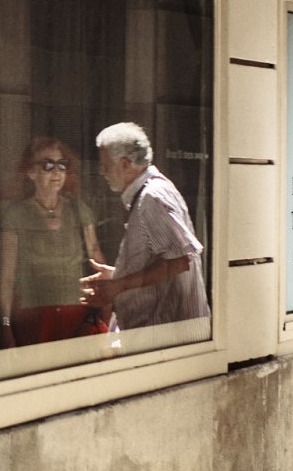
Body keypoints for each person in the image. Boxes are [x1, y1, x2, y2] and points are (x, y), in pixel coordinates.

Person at [80, 122, 209, 329]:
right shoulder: (150, 193)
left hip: (167, 334)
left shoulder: (152, 197)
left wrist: (118, 285)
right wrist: (117, 275)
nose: (102, 172)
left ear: (125, 164)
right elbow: (164, 263)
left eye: (106, 165)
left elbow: (179, 261)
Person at [0, 138, 107, 347]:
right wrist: (5, 326)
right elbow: (7, 277)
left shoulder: (78, 209)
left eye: (62, 165)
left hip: (76, 311)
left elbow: (97, 258)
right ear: (31, 172)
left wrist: (106, 306)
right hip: (32, 315)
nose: (56, 172)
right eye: (48, 165)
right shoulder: (16, 214)